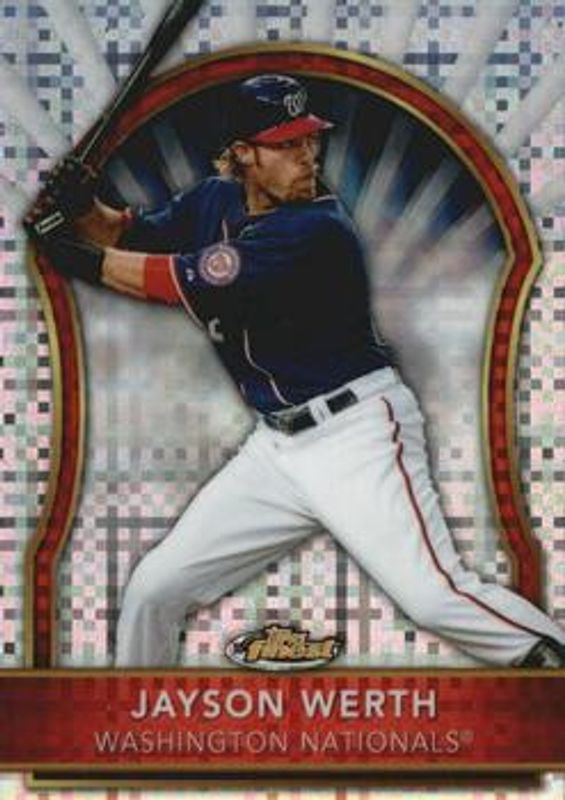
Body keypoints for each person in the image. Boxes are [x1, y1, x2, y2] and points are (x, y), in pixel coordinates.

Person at [26, 74, 565, 668]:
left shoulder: (317, 229)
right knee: (155, 589)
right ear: (243, 155)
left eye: (309, 139)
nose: (307, 155)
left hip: (356, 434)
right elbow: (122, 237)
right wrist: (82, 207)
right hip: (275, 450)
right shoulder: (213, 201)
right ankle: (134, 718)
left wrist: (66, 251)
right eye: (286, 144)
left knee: (435, 598)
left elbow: (166, 281)